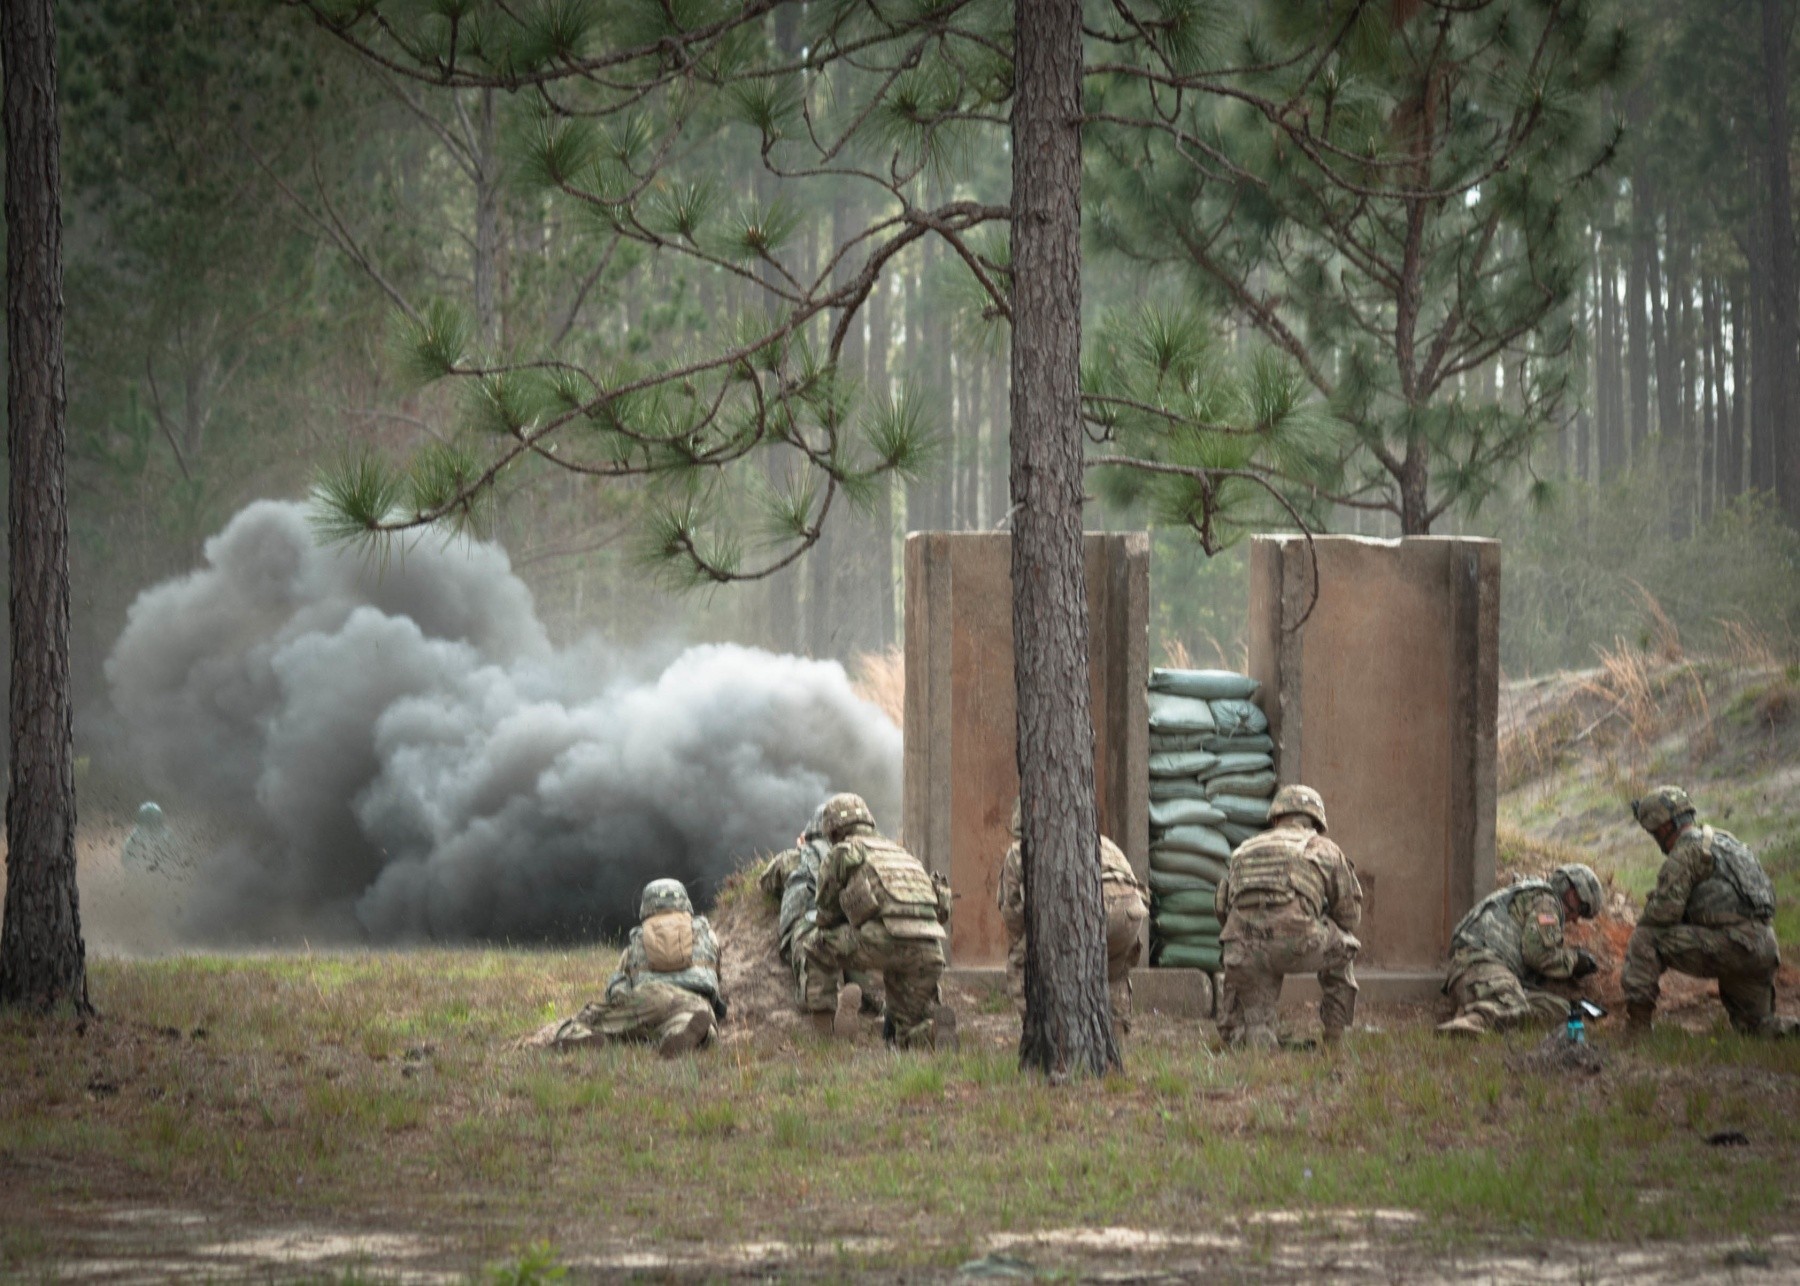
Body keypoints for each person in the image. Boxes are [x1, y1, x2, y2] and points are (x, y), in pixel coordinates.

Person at [1622, 786, 1796, 1038]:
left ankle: (1637, 1031)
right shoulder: (1727, 842)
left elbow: (1663, 914)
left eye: (1652, 832)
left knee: (1645, 938)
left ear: (1662, 827)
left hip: (1733, 946)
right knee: (1756, 1029)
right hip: (1763, 947)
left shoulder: (1686, 852)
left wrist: (1651, 907)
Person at [1215, 784, 1361, 1050]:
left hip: (1245, 948)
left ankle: (1254, 1031)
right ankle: (1335, 1037)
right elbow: (1349, 917)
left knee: (1243, 951)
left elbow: (1223, 910)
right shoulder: (1324, 848)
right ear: (1316, 822)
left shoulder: (1243, 850)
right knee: (1345, 944)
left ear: (1275, 818)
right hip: (1295, 945)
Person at [803, 792, 955, 1049]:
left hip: (881, 942)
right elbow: (939, 911)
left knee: (817, 944)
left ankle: (824, 1027)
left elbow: (826, 916)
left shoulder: (843, 852)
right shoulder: (903, 854)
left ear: (833, 830)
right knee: (904, 1029)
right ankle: (932, 1032)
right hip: (929, 952)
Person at [997, 798, 1148, 1036]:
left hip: (1091, 910)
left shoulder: (1021, 849)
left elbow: (1014, 915)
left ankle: (1041, 1034)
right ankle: (1115, 1036)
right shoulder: (1103, 842)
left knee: (1020, 959)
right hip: (1131, 913)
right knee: (1114, 972)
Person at [554, 879, 725, 1058]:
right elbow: (715, 976)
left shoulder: (638, 939)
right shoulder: (708, 935)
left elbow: (618, 989)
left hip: (650, 997)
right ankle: (685, 1032)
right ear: (684, 901)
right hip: (697, 1002)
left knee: (587, 1020)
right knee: (690, 1021)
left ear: (647, 905)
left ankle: (583, 1035)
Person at [1435, 864, 1603, 1037]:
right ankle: (1470, 1023)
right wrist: (1575, 961)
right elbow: (1538, 955)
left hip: (1478, 977)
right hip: (1481, 967)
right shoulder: (1546, 904)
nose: (1576, 919)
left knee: (1561, 1009)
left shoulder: (1534, 895)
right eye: (1582, 909)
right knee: (1513, 1005)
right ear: (1572, 893)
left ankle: (1477, 1011)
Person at [758, 803, 881, 1014]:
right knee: (857, 962)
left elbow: (766, 881)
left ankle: (827, 1003)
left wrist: (799, 849)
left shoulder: (797, 857)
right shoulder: (854, 856)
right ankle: (869, 1001)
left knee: (810, 960)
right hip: (849, 929)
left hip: (808, 921)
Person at [121, 801, 180, 873]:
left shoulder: (167, 835)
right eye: (150, 819)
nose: (152, 823)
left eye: (153, 819)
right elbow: (125, 859)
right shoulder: (136, 835)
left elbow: (176, 857)